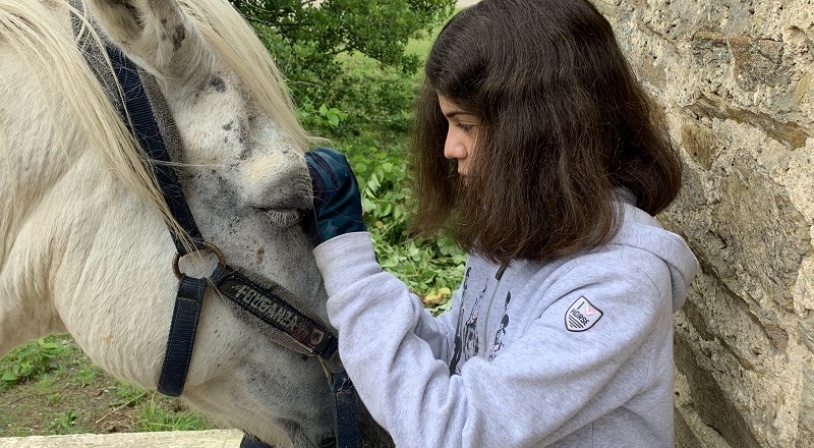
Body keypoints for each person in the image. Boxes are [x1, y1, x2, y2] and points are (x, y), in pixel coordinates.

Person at [303, 0, 699, 446]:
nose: (450, 147)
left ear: (540, 130)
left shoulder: (618, 284)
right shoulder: (527, 230)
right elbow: (457, 351)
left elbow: (452, 432)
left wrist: (351, 269)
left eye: (465, 125)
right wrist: (374, 290)